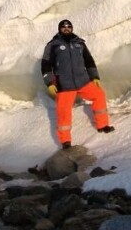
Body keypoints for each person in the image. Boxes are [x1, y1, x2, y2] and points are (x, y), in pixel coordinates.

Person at [41, 19, 115, 149]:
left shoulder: (79, 43)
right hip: (64, 84)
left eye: (69, 27)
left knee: (99, 95)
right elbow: (45, 64)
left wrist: (94, 77)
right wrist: (49, 83)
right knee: (63, 111)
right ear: (59, 29)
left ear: (72, 28)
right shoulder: (52, 45)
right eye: (63, 27)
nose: (66, 29)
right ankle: (65, 141)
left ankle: (102, 125)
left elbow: (89, 61)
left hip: (83, 81)